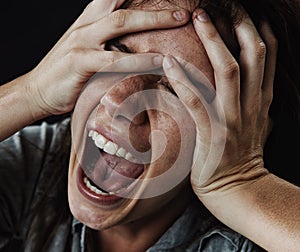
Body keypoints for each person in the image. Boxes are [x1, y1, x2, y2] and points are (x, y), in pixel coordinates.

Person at [0, 0, 299, 251]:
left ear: (245, 125)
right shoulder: (38, 162)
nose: (118, 101)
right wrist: (30, 94)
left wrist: (240, 181)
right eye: (116, 56)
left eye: (175, 89)